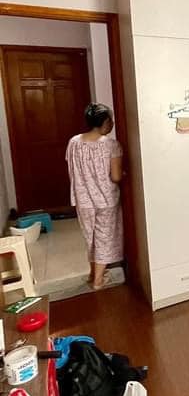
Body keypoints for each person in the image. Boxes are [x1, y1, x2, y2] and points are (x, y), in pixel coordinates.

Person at [66, 103, 123, 290]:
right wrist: (123, 174)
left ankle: (92, 274)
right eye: (111, 120)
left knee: (89, 237)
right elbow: (115, 176)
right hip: (106, 200)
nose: (112, 124)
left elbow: (72, 168)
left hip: (83, 200)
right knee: (104, 238)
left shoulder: (74, 142)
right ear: (105, 122)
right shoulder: (111, 145)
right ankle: (98, 281)